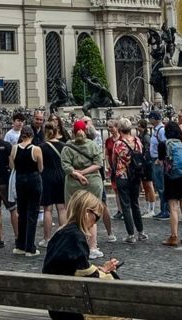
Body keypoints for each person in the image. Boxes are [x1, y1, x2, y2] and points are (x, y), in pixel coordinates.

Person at [42, 190, 121, 320]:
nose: (95, 223)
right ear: (86, 212)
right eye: (96, 217)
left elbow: (74, 269)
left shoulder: (59, 234)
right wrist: (106, 272)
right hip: (73, 309)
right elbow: (87, 277)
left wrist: (101, 269)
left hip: (55, 304)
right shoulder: (76, 237)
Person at [61, 118, 114, 259]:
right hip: (92, 182)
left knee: (72, 214)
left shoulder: (67, 147)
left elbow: (66, 166)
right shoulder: (92, 145)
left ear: (72, 132)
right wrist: (84, 173)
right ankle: (92, 247)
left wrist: (77, 174)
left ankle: (72, 245)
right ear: (85, 131)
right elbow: (98, 164)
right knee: (92, 214)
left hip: (73, 184)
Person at [111, 118, 147, 244]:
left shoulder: (118, 144)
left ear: (120, 129)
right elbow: (141, 155)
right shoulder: (137, 141)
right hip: (135, 176)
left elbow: (114, 161)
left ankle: (130, 234)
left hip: (123, 176)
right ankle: (141, 232)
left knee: (125, 206)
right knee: (135, 203)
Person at [158, 119, 182, 247]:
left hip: (171, 177)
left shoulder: (163, 144)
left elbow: (161, 161)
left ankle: (173, 236)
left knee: (173, 207)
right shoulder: (180, 143)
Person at [10, 124, 44, 256]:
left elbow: (12, 165)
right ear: (32, 135)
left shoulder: (14, 148)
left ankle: (20, 245)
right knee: (32, 214)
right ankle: (30, 247)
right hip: (34, 181)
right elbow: (41, 168)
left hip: (20, 181)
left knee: (22, 213)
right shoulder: (36, 149)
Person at [40, 121, 66, 247]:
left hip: (47, 178)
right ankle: (63, 237)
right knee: (62, 208)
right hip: (61, 177)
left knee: (47, 209)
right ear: (57, 131)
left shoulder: (42, 147)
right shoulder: (63, 146)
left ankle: (47, 239)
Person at [148, 111, 169, 219]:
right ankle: (163, 209)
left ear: (154, 119)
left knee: (161, 185)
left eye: (150, 118)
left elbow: (165, 144)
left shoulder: (161, 130)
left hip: (158, 161)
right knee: (159, 185)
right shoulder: (157, 130)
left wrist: (161, 158)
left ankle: (165, 210)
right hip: (155, 159)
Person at [137, 120, 157, 217]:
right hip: (143, 163)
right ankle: (148, 207)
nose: (138, 128)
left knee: (149, 184)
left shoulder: (146, 137)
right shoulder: (141, 137)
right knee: (145, 186)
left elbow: (148, 149)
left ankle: (152, 208)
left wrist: (144, 158)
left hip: (147, 163)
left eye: (139, 126)